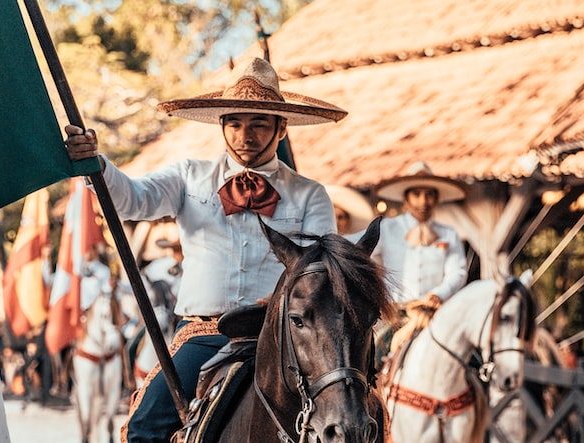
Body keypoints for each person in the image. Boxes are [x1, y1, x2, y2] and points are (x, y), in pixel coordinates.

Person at [65, 58, 345, 442]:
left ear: (281, 128)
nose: (245, 135)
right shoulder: (188, 176)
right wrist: (95, 163)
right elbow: (132, 200)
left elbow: (320, 273)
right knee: (145, 427)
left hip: (282, 336)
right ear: (222, 125)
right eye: (235, 123)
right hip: (205, 333)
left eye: (259, 124)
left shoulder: (310, 195)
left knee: (349, 412)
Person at [370, 162, 467, 358]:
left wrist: (439, 293)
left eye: (429, 194)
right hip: (397, 316)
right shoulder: (387, 228)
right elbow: (362, 251)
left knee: (471, 362)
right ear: (406, 198)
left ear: (436, 198)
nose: (423, 201)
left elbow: (458, 271)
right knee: (373, 359)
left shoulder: (448, 234)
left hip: (437, 314)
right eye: (417, 194)